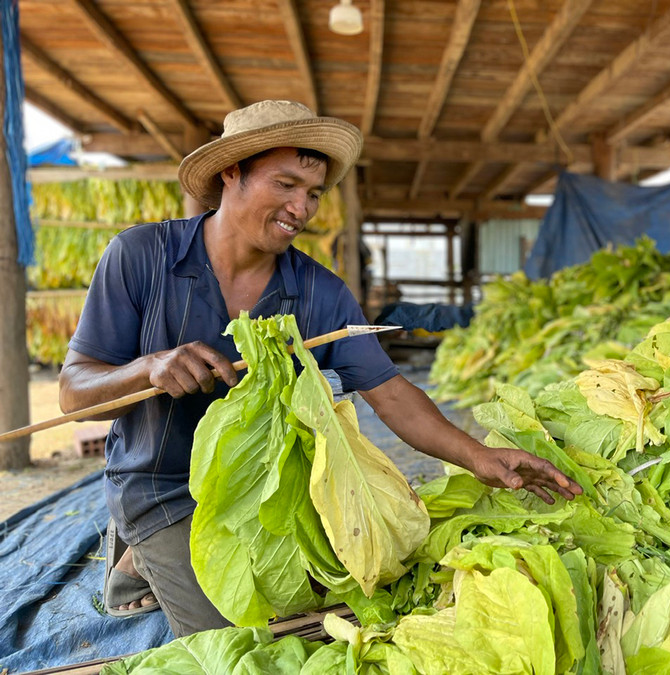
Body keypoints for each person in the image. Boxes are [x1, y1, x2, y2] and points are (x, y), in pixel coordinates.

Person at [58, 100, 582, 638]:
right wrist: (147, 369)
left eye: (313, 193)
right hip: (163, 487)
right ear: (232, 172)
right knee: (241, 644)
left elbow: (390, 392)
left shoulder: (318, 292)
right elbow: (74, 396)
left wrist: (479, 456)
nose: (301, 208)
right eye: (286, 184)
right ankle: (141, 548)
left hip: (273, 491)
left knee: (353, 586)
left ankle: (148, 558)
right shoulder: (141, 256)